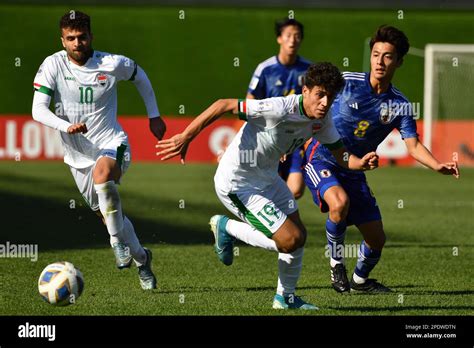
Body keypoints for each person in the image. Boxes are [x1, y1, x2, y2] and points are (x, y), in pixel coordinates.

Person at [157, 62, 379, 309]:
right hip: (238, 183)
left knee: (299, 236)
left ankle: (285, 298)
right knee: (290, 239)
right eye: (320, 94)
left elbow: (342, 156)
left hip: (268, 178)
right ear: (305, 90)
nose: (325, 103)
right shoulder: (277, 108)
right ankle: (226, 227)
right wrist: (185, 137)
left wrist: (361, 163)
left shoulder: (322, 120)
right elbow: (223, 104)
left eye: (330, 96)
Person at [302, 25, 460, 294]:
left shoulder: (399, 104)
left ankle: (361, 282)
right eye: (376, 54)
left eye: (387, 56)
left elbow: (413, 145)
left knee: (377, 240)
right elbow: (308, 95)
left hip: (355, 169)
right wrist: (288, 133)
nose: (379, 61)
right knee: (338, 203)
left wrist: (437, 165)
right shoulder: (346, 81)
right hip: (323, 158)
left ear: (398, 61)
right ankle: (336, 264)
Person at [32, 11, 166, 290]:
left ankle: (116, 242)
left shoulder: (111, 63)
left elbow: (140, 76)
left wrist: (153, 115)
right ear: (62, 40)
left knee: (103, 176)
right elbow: (38, 109)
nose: (77, 43)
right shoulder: (52, 65)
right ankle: (142, 259)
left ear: (91, 36)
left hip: (112, 142)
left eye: (82, 37)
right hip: (77, 155)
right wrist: (65, 126)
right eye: (71, 38)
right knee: (109, 214)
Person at [246, 17, 312, 200]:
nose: (293, 40)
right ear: (279, 38)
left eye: (297, 36)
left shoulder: (309, 70)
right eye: (288, 35)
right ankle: (273, 224)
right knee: (267, 188)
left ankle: (278, 221)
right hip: (270, 138)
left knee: (296, 190)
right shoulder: (265, 69)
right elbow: (249, 103)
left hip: (297, 139)